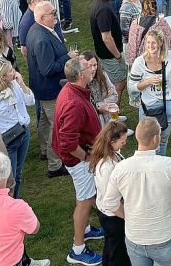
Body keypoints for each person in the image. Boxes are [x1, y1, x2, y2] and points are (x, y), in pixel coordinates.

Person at [100, 117, 171, 266]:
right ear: (156, 138)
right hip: (165, 238)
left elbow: (109, 202)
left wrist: (127, 216)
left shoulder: (121, 168)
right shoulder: (170, 165)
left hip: (135, 239)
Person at [52, 57, 106, 265]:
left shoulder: (72, 90)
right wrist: (88, 157)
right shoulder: (73, 103)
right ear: (80, 75)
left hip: (81, 157)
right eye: (88, 67)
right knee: (84, 202)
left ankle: (86, 229)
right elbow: (67, 143)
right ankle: (77, 249)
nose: (93, 68)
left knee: (85, 195)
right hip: (79, 161)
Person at [25, 2, 74, 177]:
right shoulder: (42, 38)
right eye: (52, 13)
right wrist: (67, 58)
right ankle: (55, 165)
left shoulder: (36, 29)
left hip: (40, 87)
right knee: (57, 125)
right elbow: (47, 69)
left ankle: (44, 150)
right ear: (41, 18)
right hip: (50, 89)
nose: (56, 15)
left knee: (45, 122)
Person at [0, 59, 33, 197]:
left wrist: (21, 83)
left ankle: (14, 201)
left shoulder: (15, 84)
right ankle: (8, 204)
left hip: (24, 132)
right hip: (7, 141)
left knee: (18, 172)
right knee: (8, 177)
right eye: (11, 70)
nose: (14, 71)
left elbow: (31, 101)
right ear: (2, 76)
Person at [128, 29, 171, 155]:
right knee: (146, 141)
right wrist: (148, 82)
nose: (150, 46)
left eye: (154, 43)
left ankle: (161, 163)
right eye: (148, 42)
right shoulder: (140, 62)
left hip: (168, 105)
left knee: (163, 140)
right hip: (149, 107)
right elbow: (131, 87)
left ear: (161, 43)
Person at [88, 121, 130, 266]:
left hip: (112, 213)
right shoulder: (106, 168)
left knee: (111, 247)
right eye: (122, 141)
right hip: (113, 216)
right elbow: (110, 201)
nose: (124, 144)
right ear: (112, 141)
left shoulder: (113, 153)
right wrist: (127, 216)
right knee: (119, 254)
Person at [125, 0, 171, 66]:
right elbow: (169, 42)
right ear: (156, 8)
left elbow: (132, 46)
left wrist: (133, 63)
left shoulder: (135, 23)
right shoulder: (161, 22)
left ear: (142, 8)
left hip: (142, 60)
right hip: (157, 59)